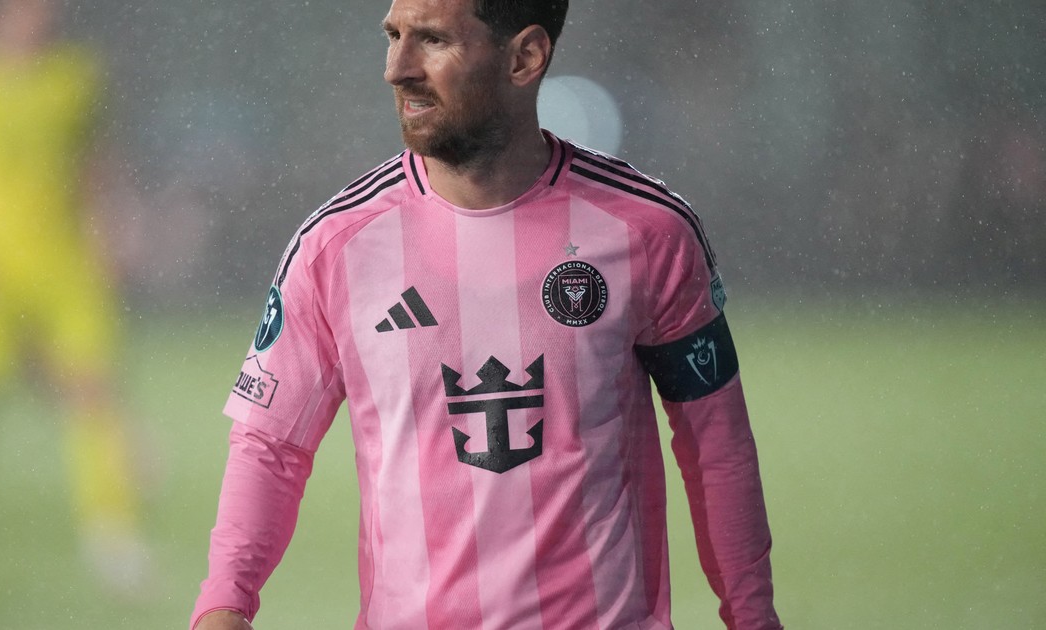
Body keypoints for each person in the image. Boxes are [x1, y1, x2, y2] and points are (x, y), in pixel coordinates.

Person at [192, 0, 781, 627]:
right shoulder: (336, 248)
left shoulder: (649, 232)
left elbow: (716, 444)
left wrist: (752, 617)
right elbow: (271, 446)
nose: (397, 68)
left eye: (432, 40)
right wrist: (223, 606)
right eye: (394, 36)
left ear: (524, 57)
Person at [0, 0, 148, 595]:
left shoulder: (76, 77)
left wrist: (111, 233)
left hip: (66, 270)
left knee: (94, 394)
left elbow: (97, 165)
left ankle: (115, 541)